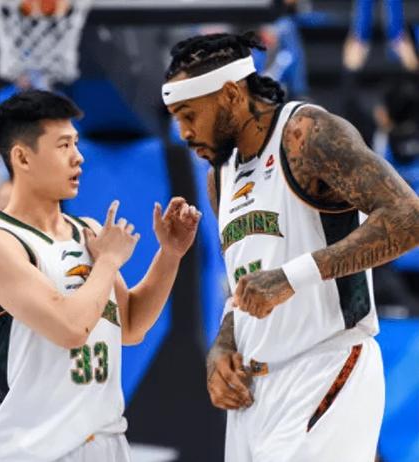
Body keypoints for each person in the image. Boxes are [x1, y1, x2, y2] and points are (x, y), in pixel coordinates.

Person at [162, 32, 419, 462]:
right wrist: (224, 343)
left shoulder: (305, 134)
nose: (183, 132)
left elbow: (408, 217)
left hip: (324, 366)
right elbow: (244, 282)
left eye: (189, 115)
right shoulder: (219, 176)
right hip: (254, 391)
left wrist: (291, 278)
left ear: (230, 95)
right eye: (175, 118)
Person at [0, 90, 200, 461]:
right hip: (41, 449)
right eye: (63, 146)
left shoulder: (86, 230)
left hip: (108, 440)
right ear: (22, 157)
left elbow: (131, 325)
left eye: (76, 142)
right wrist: (108, 262)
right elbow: (70, 329)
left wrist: (169, 254)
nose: (78, 156)